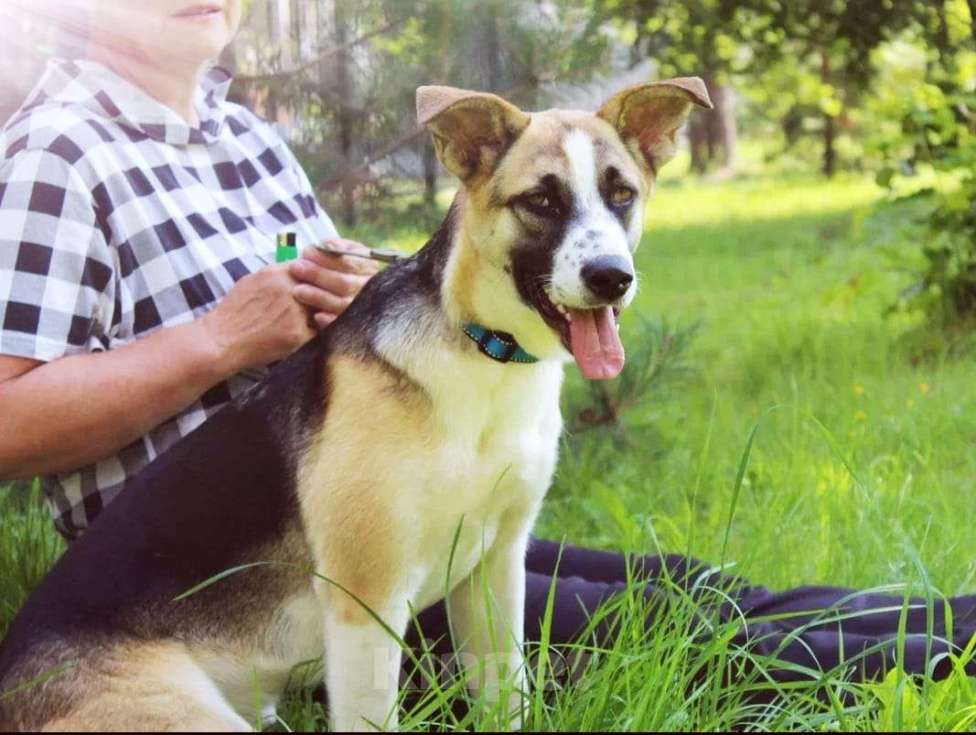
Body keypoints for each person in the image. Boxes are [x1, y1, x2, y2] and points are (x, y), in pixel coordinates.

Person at [0, 0, 973, 709]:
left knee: (682, 584)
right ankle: (951, 655)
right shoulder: (57, 152)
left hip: (402, 502)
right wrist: (216, 340)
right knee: (672, 638)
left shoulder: (242, 135)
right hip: (229, 574)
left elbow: (327, 299)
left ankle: (956, 618)